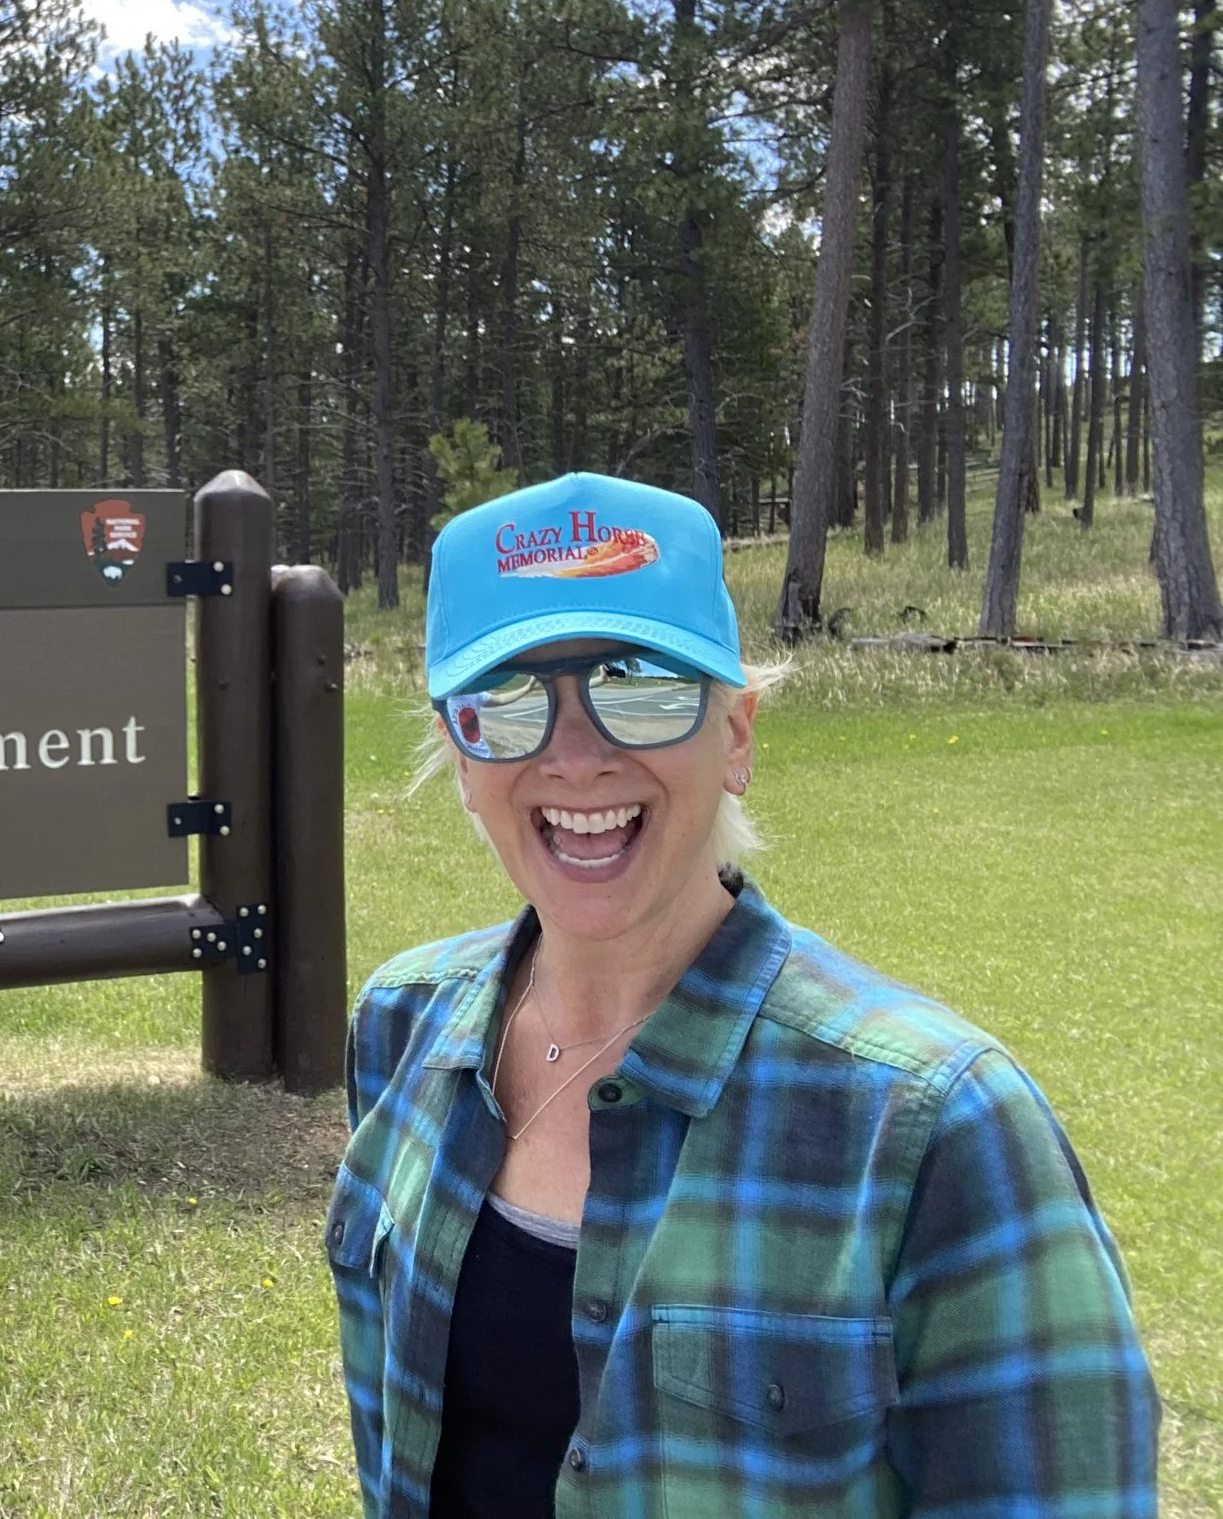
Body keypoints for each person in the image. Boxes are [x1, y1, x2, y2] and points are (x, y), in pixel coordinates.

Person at [328, 471, 1157, 1518]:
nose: (577, 758)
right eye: (505, 702)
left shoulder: (934, 1126)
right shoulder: (399, 1030)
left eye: (642, 687)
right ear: (458, 753)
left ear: (735, 736)